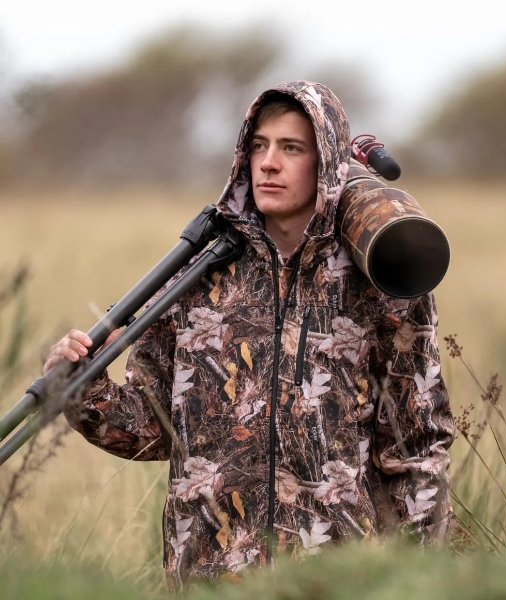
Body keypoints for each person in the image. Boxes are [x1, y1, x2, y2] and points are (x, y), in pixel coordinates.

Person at [44, 81, 455, 590]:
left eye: (291, 148)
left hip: (339, 581)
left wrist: (421, 578)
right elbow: (151, 431)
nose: (269, 163)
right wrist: (87, 387)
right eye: (259, 145)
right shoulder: (198, 277)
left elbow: (417, 452)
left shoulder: (384, 285)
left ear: (326, 162)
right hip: (209, 579)